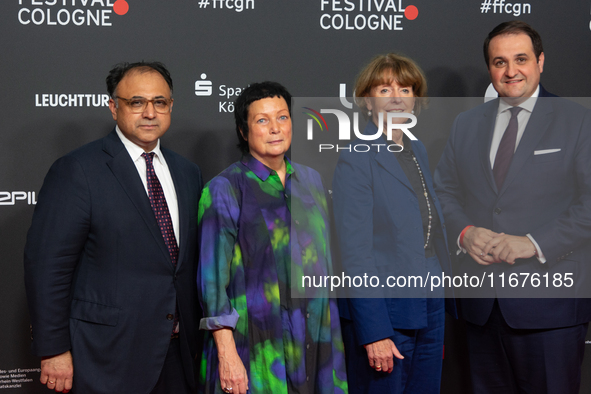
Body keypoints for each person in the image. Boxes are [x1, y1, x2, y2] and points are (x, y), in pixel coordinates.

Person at [24, 61, 203, 394]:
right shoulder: (78, 170)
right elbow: (47, 266)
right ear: (114, 108)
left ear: (171, 107)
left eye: (159, 102)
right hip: (107, 354)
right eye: (137, 102)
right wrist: (53, 348)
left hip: (178, 353)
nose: (150, 112)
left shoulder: (187, 172)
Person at [434, 20, 591, 393]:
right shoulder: (465, 124)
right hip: (481, 309)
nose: (511, 71)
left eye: (520, 59)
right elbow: (443, 192)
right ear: (490, 68)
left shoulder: (579, 120)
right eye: (499, 62)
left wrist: (534, 242)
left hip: (551, 308)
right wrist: (464, 233)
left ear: (540, 61)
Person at [197, 81, 348, 394]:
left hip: (316, 346)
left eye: (282, 117)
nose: (275, 128)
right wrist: (227, 356)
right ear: (244, 130)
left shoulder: (311, 181)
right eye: (262, 120)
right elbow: (212, 284)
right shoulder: (224, 189)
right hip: (256, 349)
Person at [332, 53, 456, 393]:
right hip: (386, 309)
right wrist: (374, 332)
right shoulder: (356, 159)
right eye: (385, 89)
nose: (398, 96)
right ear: (367, 101)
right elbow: (354, 255)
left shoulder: (417, 150)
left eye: (405, 88)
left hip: (429, 298)